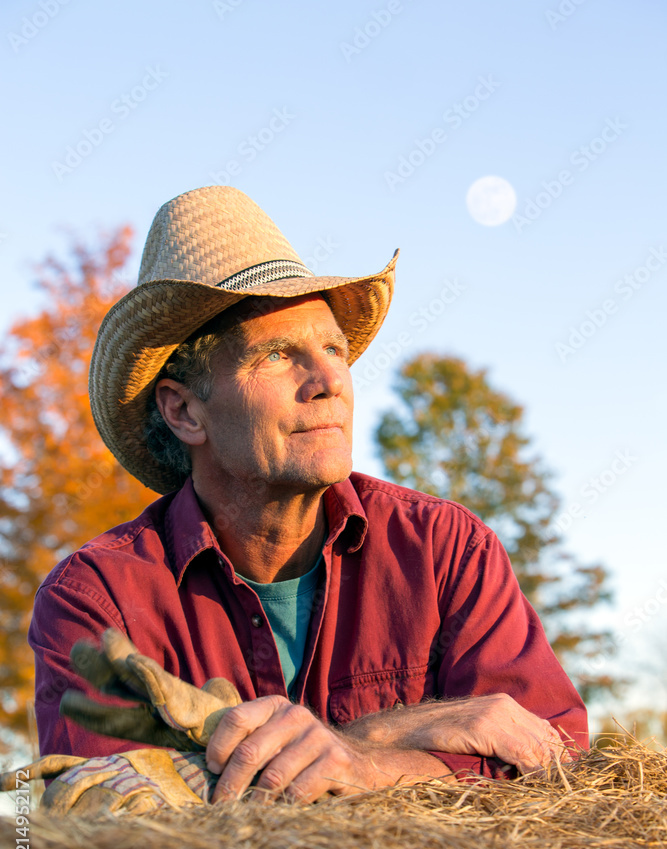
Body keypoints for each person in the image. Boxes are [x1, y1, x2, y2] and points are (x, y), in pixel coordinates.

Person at [29, 185, 588, 804]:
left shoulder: (446, 548)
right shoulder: (96, 600)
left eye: (333, 350)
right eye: (277, 355)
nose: (328, 382)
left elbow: (559, 772)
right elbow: (109, 820)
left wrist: (360, 764)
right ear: (184, 411)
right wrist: (390, 736)